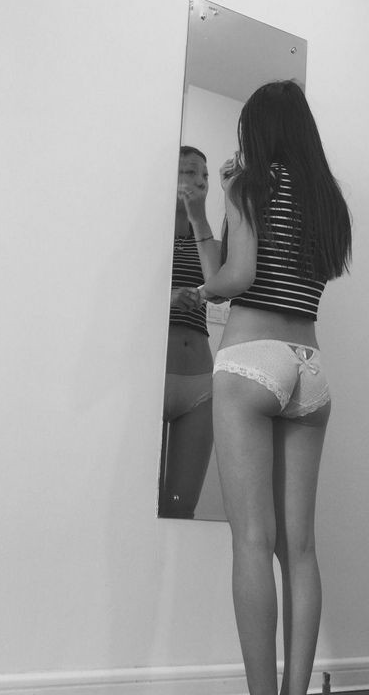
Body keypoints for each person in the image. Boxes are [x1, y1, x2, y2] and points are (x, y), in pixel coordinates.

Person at [198, 81, 352, 695]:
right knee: (301, 549)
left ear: (256, 130)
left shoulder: (249, 185)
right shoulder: (326, 199)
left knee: (252, 542)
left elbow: (238, 276)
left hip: (252, 361)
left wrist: (204, 289)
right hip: (309, 369)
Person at [160, 146, 221, 518]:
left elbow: (221, 286)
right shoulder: (151, 238)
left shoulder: (209, 242)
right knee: (135, 501)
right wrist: (167, 299)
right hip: (152, 377)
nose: (199, 181)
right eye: (189, 172)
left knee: (181, 506)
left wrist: (199, 217)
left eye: (205, 175)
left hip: (200, 383)